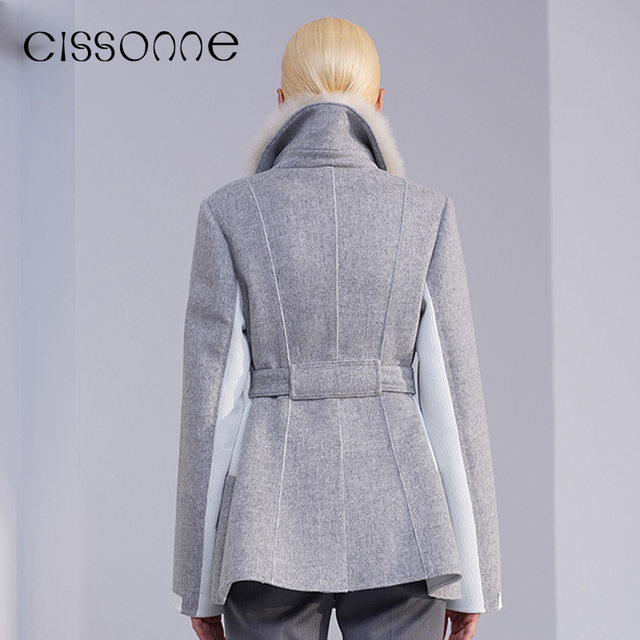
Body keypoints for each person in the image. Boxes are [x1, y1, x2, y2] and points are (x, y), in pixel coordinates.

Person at [171, 16, 503, 640]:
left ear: (281, 101)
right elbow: (452, 400)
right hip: (404, 525)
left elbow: (213, 409)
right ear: (378, 101)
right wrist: (476, 574)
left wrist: (199, 582)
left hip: (265, 532)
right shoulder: (425, 214)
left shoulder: (230, 213)